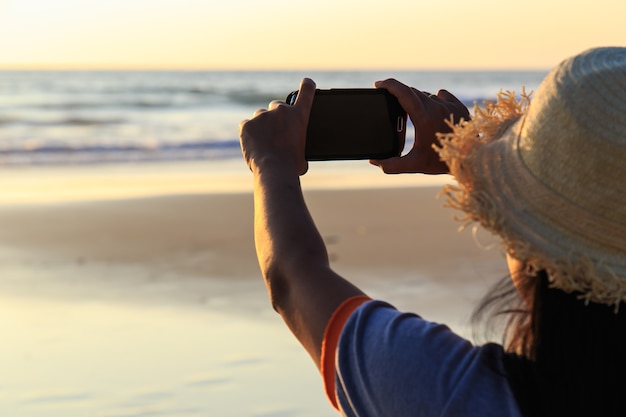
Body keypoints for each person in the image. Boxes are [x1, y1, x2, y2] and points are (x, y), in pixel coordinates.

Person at [238, 47, 626, 416]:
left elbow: (293, 278)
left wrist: (269, 160)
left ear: (532, 251)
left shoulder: (451, 394)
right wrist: (465, 150)